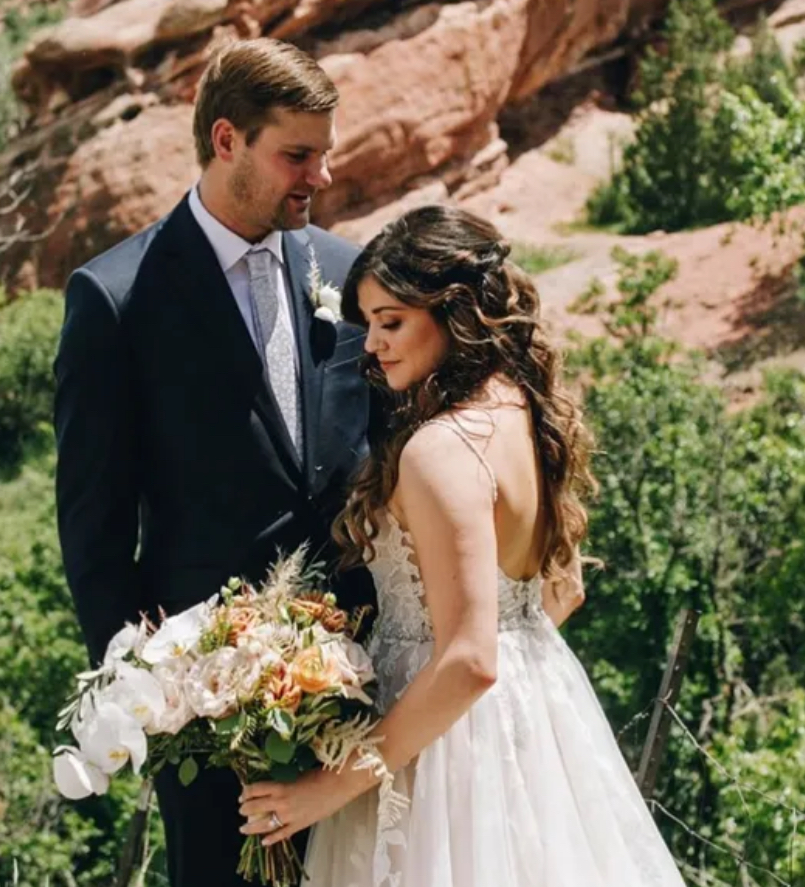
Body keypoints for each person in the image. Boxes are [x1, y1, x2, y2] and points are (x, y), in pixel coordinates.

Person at [237, 205, 687, 886]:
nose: (373, 345)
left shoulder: (440, 450)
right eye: (370, 324)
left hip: (443, 765)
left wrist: (327, 787)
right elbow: (561, 593)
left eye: (392, 322)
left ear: (454, 312)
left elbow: (470, 660)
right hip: (535, 732)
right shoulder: (519, 410)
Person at [53, 38, 375, 887]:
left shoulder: (348, 273)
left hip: (371, 684)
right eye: (297, 155)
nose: (320, 178)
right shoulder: (115, 299)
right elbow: (93, 535)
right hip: (215, 708)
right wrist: (153, 703)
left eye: (325, 154)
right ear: (226, 139)